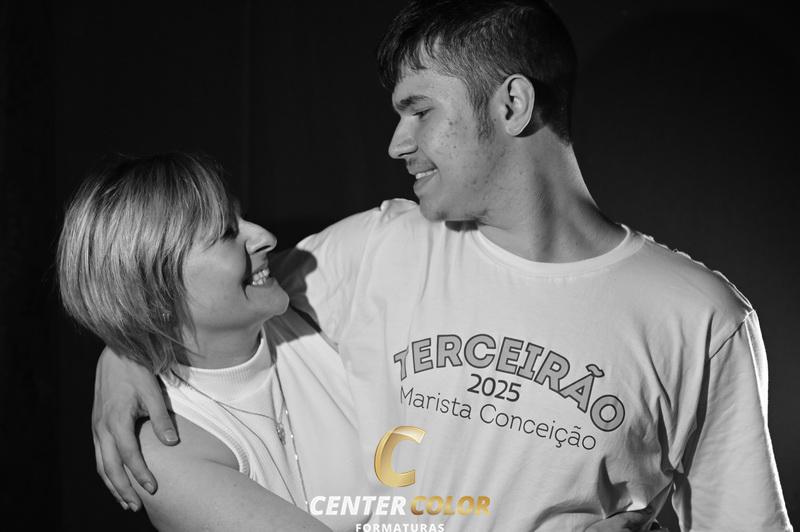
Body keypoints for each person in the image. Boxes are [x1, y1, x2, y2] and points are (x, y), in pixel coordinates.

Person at [90, 1, 794, 531]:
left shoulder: (701, 321)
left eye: (419, 110)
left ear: (512, 104)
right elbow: (200, 309)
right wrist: (121, 353)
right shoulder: (377, 248)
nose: (397, 143)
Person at [58, 153, 368, 531]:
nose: (266, 238)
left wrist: (120, 352)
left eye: (243, 217)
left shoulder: (312, 285)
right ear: (156, 294)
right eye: (227, 233)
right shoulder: (168, 451)